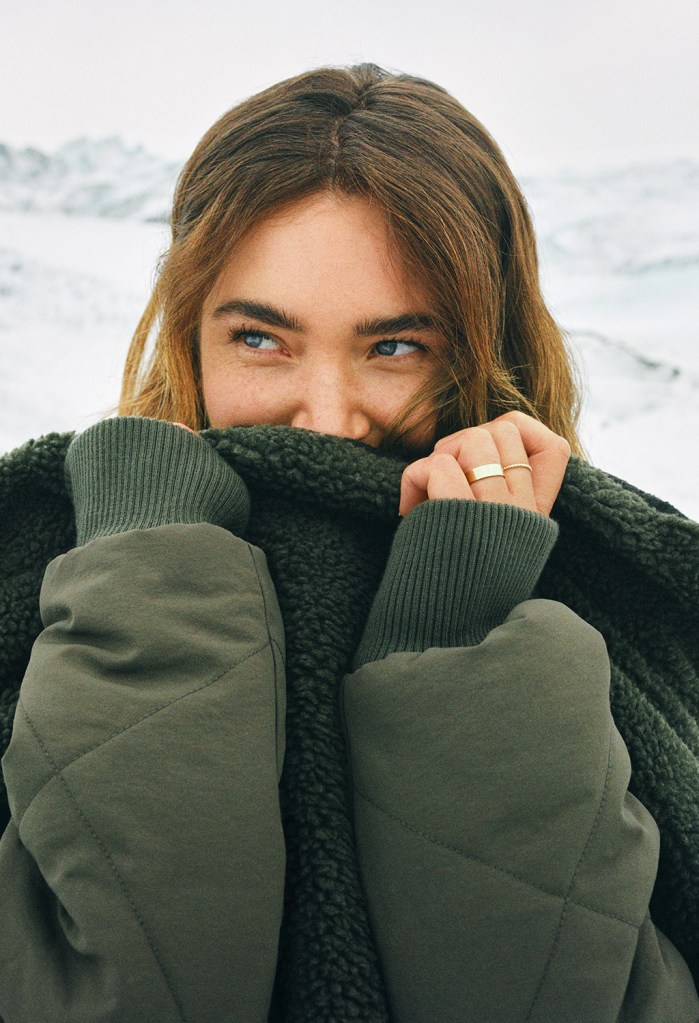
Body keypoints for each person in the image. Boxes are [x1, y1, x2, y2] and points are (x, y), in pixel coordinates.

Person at [0, 63, 697, 1023]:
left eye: (395, 347)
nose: (325, 419)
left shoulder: (625, 610)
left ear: (487, 348)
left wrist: (467, 646)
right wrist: (152, 585)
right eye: (259, 339)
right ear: (188, 334)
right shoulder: (46, 582)